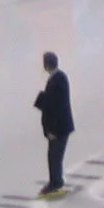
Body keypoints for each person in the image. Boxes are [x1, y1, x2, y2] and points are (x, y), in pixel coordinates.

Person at [33, 50, 74, 197]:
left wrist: (51, 130)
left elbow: (55, 107)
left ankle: (55, 183)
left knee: (54, 157)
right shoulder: (58, 78)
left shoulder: (57, 80)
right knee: (54, 156)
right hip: (60, 127)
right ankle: (55, 181)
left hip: (59, 128)